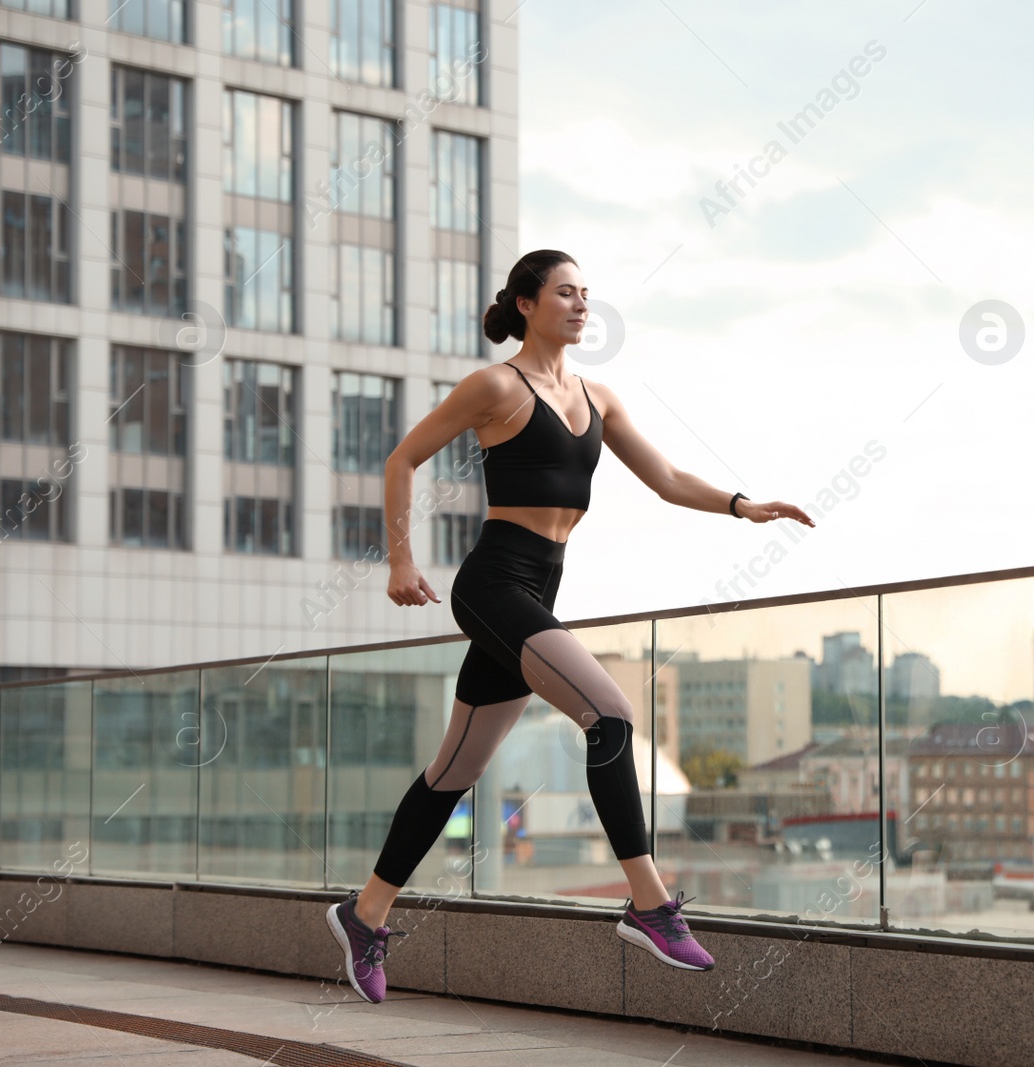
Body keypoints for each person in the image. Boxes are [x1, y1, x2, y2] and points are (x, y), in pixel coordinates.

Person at [323, 251, 816, 1004]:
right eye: (565, 292)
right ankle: (649, 902)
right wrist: (400, 561)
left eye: (587, 293)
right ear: (526, 304)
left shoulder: (598, 397)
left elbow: (668, 477)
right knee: (611, 715)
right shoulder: (496, 385)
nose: (582, 304)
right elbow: (402, 458)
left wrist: (742, 504)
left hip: (540, 590)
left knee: (454, 771)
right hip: (492, 585)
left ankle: (364, 917)